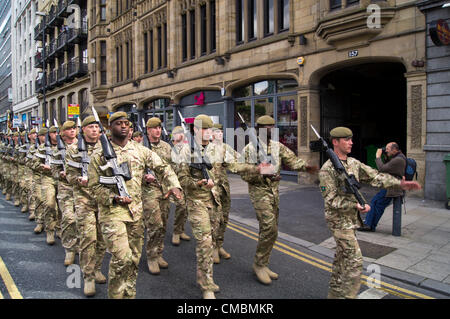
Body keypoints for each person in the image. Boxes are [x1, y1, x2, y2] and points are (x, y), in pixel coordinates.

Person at [318, 127, 421, 299]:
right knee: (355, 262)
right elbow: (330, 200)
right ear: (335, 142)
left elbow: (376, 176)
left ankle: (334, 294)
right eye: (346, 139)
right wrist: (355, 205)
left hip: (351, 220)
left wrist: (401, 184)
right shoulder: (326, 169)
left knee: (342, 260)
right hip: (338, 221)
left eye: (351, 139)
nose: (351, 142)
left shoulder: (353, 164)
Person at [88, 111, 182, 299]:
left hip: (135, 213)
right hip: (112, 213)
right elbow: (93, 187)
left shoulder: (140, 150)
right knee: (122, 258)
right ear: (110, 128)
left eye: (126, 124)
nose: (123, 126)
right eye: (118, 123)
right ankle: (115, 295)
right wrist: (113, 197)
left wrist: (174, 185)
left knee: (133, 259)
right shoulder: (99, 155)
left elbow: (163, 167)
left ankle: (129, 294)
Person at [241, 115, 318, 285]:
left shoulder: (277, 147)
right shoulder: (248, 149)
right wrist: (261, 173)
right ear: (259, 129)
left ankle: (264, 263)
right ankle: (259, 264)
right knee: (269, 228)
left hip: (274, 194)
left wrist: (306, 167)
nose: (271, 130)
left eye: (273, 127)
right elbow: (244, 174)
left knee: (270, 231)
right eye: (268, 127)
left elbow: (292, 160)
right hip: (259, 193)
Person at [65, 116, 106, 297]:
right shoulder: (73, 149)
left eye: (97, 127)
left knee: (103, 238)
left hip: (103, 199)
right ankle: (88, 276)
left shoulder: (106, 146)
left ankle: (97, 267)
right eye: (91, 127)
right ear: (84, 130)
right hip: (83, 199)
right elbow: (69, 175)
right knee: (89, 238)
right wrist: (79, 180)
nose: (95, 130)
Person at [142, 117, 176, 275]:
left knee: (163, 224)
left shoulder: (166, 146)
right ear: (148, 130)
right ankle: (151, 256)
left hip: (165, 190)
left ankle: (159, 252)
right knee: (154, 225)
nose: (158, 131)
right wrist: (144, 177)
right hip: (149, 190)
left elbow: (172, 167)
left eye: (159, 128)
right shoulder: (141, 147)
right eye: (154, 128)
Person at [359, 142, 407, 232]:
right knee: (377, 204)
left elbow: (382, 168)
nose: (386, 150)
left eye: (388, 149)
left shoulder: (398, 160)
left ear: (394, 150)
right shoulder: (397, 157)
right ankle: (370, 225)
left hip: (391, 188)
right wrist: (385, 155)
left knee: (376, 202)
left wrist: (378, 156)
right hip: (390, 186)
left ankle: (368, 224)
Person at [54, 121, 78, 267]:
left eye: (74, 128)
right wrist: (61, 174)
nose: (72, 131)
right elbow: (53, 169)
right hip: (66, 188)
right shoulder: (58, 148)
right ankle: (70, 248)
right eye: (69, 129)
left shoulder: (84, 146)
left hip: (84, 189)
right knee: (69, 218)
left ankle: (81, 245)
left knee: (83, 221)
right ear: (63, 132)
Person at [170, 125, 191, 246]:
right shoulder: (170, 149)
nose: (181, 135)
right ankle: (176, 232)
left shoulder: (187, 147)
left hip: (187, 182)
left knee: (186, 208)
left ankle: (181, 229)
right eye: (178, 133)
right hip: (176, 183)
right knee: (181, 206)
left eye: (182, 133)